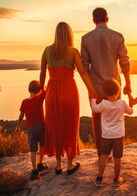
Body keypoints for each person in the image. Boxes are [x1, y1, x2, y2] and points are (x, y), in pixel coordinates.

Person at [40, 22, 98, 175]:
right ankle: (70, 165)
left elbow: (41, 77)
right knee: (70, 126)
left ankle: (58, 165)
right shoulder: (73, 52)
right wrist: (92, 91)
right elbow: (83, 73)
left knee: (55, 126)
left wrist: (42, 93)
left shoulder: (46, 51)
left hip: (52, 92)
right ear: (69, 35)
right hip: (69, 92)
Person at [81, 7, 131, 159]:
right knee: (115, 119)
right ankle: (115, 153)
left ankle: (101, 153)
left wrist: (90, 89)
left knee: (97, 121)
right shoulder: (117, 36)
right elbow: (124, 62)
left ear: (93, 20)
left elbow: (84, 67)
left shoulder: (86, 38)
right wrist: (128, 84)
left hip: (95, 86)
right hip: (114, 86)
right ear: (107, 18)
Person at [91, 79, 133, 187]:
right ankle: (116, 179)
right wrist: (130, 101)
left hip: (106, 136)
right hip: (118, 136)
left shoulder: (104, 104)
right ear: (118, 91)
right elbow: (130, 112)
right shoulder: (122, 103)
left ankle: (99, 178)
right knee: (117, 158)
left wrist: (92, 98)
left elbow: (95, 109)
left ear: (105, 93)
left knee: (103, 156)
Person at [16, 80, 49, 180]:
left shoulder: (24, 102)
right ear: (39, 90)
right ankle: (40, 163)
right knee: (42, 145)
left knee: (33, 149)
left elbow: (21, 115)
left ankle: (34, 170)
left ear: (29, 89)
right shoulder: (39, 98)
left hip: (31, 128)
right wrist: (43, 86)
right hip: (41, 126)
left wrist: (18, 126)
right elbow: (47, 90)